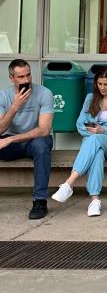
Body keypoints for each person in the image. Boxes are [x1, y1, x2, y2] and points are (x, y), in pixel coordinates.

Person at [51, 66, 107, 217]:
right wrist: (94, 134)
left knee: (94, 140)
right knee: (97, 153)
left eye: (106, 84)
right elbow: (80, 124)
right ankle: (95, 201)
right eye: (99, 84)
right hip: (94, 141)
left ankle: (69, 183)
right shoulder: (90, 98)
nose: (102, 87)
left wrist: (103, 131)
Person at [0, 59, 54, 219]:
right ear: (12, 78)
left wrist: (11, 139)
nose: (26, 80)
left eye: (28, 75)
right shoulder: (3, 96)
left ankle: (40, 201)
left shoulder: (44, 93)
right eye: (21, 77)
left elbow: (44, 130)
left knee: (42, 146)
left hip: (34, 140)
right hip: (8, 142)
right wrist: (15, 106)